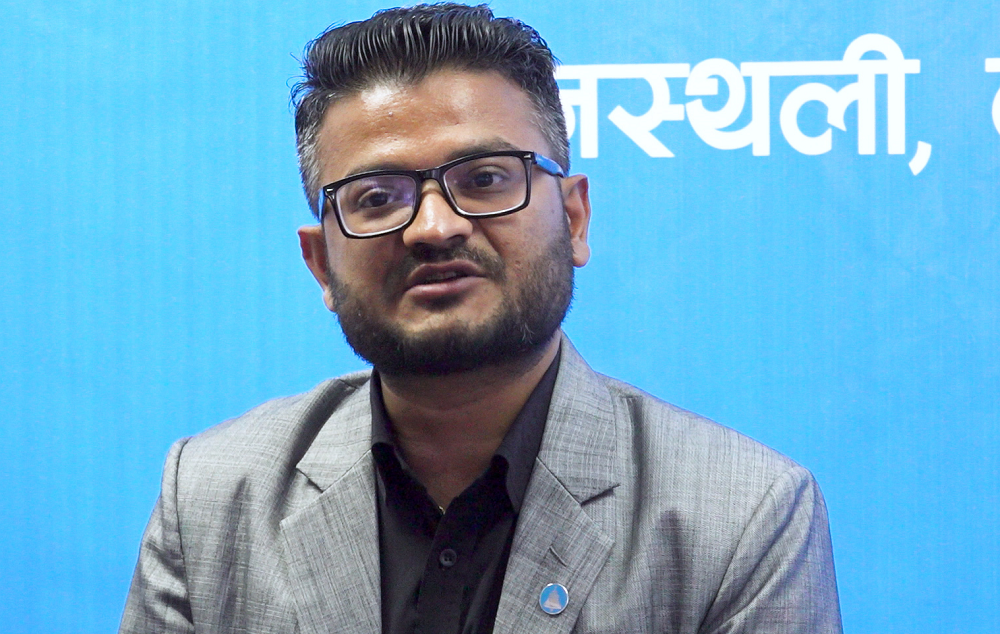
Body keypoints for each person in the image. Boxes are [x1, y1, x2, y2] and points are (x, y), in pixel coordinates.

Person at [120, 4, 843, 633]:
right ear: (321, 265)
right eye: (377, 197)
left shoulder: (741, 517)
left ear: (574, 218)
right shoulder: (212, 498)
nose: (434, 227)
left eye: (486, 179)